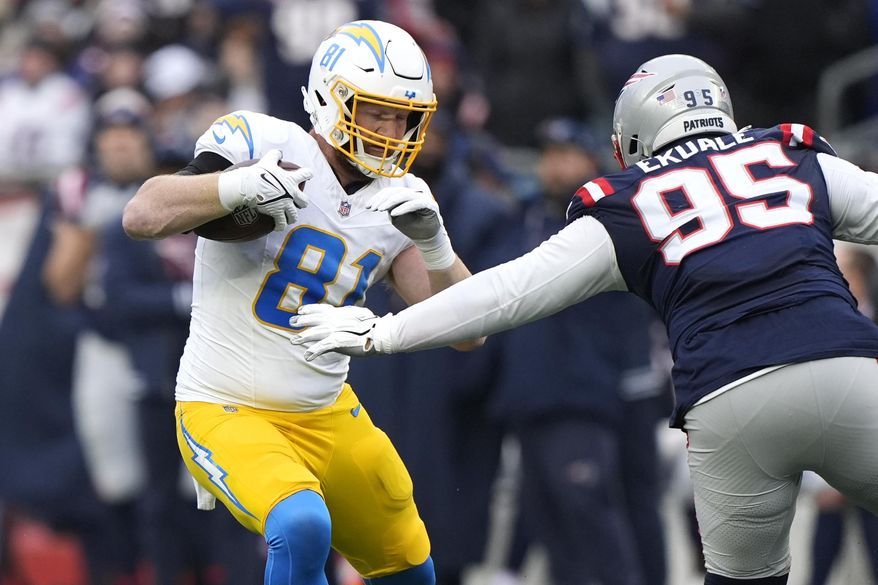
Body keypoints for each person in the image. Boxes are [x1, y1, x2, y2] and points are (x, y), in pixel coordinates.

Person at [292, 54, 878, 585]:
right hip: (846, 367)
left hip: (728, 399)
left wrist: (383, 331)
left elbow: (507, 292)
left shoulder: (632, 201)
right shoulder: (792, 155)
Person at [123, 19, 481, 585]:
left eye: (402, 116)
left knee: (410, 562)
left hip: (325, 409)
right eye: (376, 111)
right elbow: (142, 213)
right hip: (225, 405)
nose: (392, 130)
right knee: (302, 523)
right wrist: (237, 186)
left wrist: (436, 246)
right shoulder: (265, 142)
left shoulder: (402, 197)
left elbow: (468, 330)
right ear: (331, 99)